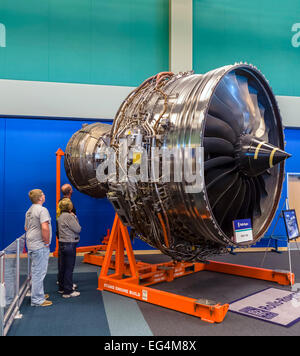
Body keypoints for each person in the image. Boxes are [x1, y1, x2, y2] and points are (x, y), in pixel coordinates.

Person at [25, 189, 52, 307]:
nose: (44, 196)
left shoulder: (29, 211)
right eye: (43, 194)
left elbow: (26, 228)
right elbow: (45, 228)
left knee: (35, 271)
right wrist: (46, 242)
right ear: (40, 198)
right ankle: (37, 299)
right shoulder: (42, 210)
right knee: (39, 272)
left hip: (31, 244)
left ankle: (37, 293)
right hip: (39, 245)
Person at [57, 198, 81, 298]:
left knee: (62, 267)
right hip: (70, 244)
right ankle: (68, 291)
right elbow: (78, 229)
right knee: (69, 268)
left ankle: (62, 288)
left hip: (62, 243)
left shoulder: (60, 217)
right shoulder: (70, 217)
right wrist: (75, 217)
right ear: (69, 207)